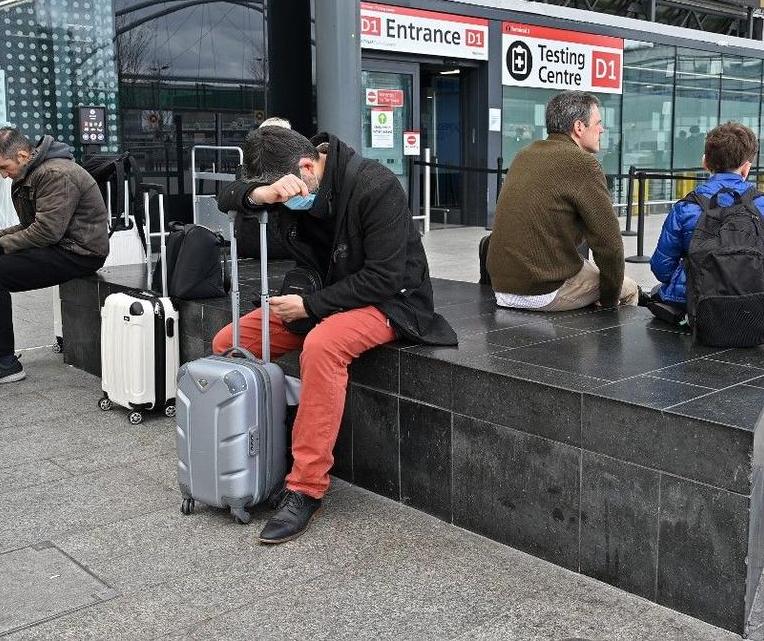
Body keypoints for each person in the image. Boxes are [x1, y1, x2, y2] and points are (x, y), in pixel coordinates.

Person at [215, 126, 457, 544]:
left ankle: (306, 487)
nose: (287, 203)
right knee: (230, 344)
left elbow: (384, 277)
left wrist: (310, 307)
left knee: (322, 346)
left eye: (286, 194)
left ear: (307, 167)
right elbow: (227, 196)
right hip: (321, 297)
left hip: (389, 302)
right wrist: (261, 195)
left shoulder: (376, 186)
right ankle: (262, 454)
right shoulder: (289, 177)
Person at [0, 128, 108, 387]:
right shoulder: (29, 172)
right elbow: (31, 225)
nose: (2, 174)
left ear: (22, 156)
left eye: (3, 167)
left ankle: (4, 363)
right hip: (58, 245)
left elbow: (46, 231)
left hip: (79, 252)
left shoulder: (56, 174)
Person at [486, 90, 639, 311]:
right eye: (598, 123)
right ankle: (606, 333)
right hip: (542, 290)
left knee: (587, 268)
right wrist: (608, 301)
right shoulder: (583, 163)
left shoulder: (524, 154)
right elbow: (609, 245)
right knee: (628, 288)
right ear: (579, 127)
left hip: (502, 287)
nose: (602, 129)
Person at [648, 121, 764, 317]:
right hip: (757, 309)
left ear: (705, 163)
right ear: (746, 169)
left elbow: (662, 269)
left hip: (697, 308)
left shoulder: (686, 208)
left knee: (657, 292)